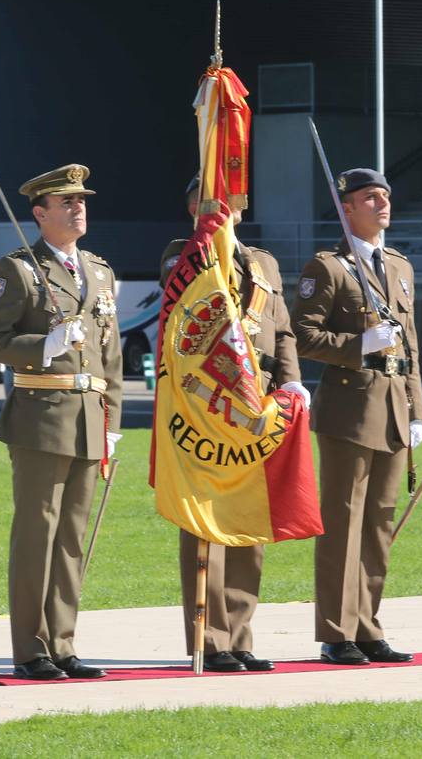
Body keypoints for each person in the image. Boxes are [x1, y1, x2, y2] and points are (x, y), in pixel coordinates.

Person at [0, 163, 123, 681]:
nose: (78, 208)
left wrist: (113, 421)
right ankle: (30, 649)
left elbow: (112, 357)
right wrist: (43, 346)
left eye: (82, 200)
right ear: (40, 214)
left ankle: (63, 643)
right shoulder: (17, 269)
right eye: (66, 202)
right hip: (41, 416)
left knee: (73, 538)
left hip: (89, 417)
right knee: (37, 534)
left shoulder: (100, 272)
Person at [160, 176, 308, 673]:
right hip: (206, 403)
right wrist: (208, 242)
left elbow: (281, 330)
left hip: (258, 402)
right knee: (207, 520)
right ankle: (210, 636)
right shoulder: (185, 256)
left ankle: (241, 634)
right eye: (211, 201)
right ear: (192, 208)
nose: (226, 208)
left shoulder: (263, 262)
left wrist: (291, 383)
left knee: (250, 518)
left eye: (230, 200)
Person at [291, 167, 422, 667]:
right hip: (350, 406)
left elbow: (410, 346)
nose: (382, 204)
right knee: (344, 522)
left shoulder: (399, 267)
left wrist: (417, 409)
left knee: (380, 524)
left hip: (393, 408)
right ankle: (336, 630)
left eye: (386, 196)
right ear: (347, 208)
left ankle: (369, 626)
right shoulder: (327, 268)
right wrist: (358, 345)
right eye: (371, 198)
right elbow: (301, 335)